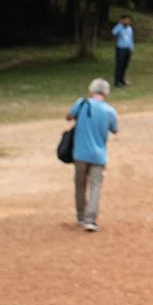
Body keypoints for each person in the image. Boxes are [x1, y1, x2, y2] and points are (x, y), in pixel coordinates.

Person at [66, 79, 119, 232]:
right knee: (95, 185)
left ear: (91, 91)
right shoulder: (109, 111)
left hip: (80, 153)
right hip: (99, 155)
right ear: (106, 93)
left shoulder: (81, 104)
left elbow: (68, 117)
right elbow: (115, 129)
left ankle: (81, 215)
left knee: (80, 184)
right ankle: (91, 219)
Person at [110, 15, 135, 88]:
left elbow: (131, 39)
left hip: (128, 49)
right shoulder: (120, 28)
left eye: (128, 20)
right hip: (121, 49)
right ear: (122, 20)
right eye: (126, 20)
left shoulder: (130, 28)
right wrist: (120, 24)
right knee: (119, 65)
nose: (127, 22)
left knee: (125, 65)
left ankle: (122, 80)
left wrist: (131, 48)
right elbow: (113, 32)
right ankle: (117, 81)